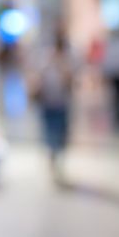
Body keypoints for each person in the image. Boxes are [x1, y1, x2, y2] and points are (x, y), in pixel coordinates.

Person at [35, 33, 74, 181]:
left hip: (62, 104)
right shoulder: (45, 62)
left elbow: (70, 82)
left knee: (61, 134)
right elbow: (37, 81)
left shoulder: (67, 63)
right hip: (48, 104)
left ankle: (58, 158)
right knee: (49, 133)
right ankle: (52, 156)